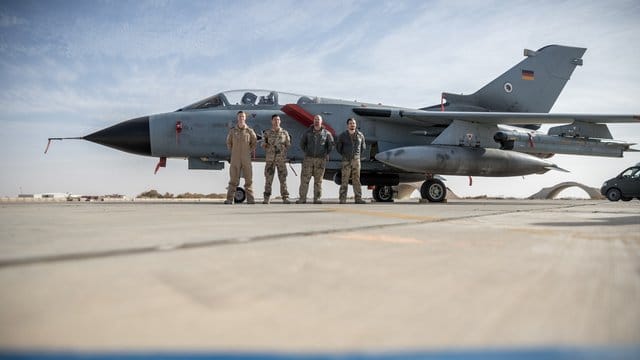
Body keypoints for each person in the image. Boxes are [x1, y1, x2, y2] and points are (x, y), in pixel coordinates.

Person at [297, 115, 334, 204]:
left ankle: (317, 199)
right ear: (313, 121)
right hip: (308, 159)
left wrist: (326, 153)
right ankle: (302, 198)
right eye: (315, 119)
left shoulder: (327, 133)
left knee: (318, 181)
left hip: (320, 160)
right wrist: (307, 152)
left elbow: (331, 145)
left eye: (318, 119)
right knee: (304, 180)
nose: (317, 121)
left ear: (321, 121)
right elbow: (302, 144)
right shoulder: (307, 133)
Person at [225, 111, 257, 204]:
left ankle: (251, 200)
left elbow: (254, 142)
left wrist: (248, 151)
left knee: (248, 179)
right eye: (240, 116)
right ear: (237, 118)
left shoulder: (250, 131)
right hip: (235, 158)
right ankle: (229, 199)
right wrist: (234, 151)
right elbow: (228, 143)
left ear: (245, 118)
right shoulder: (232, 131)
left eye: (243, 116)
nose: (241, 118)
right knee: (233, 179)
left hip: (246, 157)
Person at [262, 114, 291, 204]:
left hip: (281, 160)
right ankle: (266, 198)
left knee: (283, 180)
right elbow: (263, 144)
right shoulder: (267, 133)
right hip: (270, 160)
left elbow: (288, 144)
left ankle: (285, 197)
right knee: (268, 180)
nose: (276, 121)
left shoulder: (285, 133)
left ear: (280, 121)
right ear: (272, 121)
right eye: (275, 120)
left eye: (278, 120)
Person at [336, 117, 366, 204]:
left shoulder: (360, 135)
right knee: (344, 180)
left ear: (356, 125)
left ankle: (358, 198)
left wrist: (356, 156)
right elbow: (339, 148)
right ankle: (342, 199)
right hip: (346, 160)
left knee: (356, 180)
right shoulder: (342, 135)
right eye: (350, 123)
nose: (352, 125)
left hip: (356, 160)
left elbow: (363, 148)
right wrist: (345, 154)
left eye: (353, 123)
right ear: (347, 125)